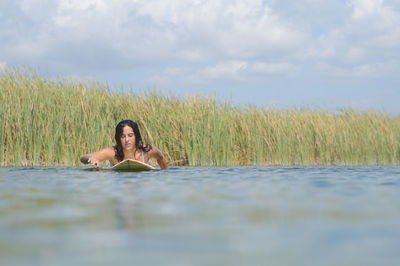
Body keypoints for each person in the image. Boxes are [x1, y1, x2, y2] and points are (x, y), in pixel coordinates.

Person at [80, 120, 168, 169]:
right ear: (118, 139)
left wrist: (163, 174)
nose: (127, 140)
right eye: (123, 136)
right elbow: (83, 157)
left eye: (130, 136)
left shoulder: (147, 151)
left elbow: (161, 158)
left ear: (136, 136)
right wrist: (92, 158)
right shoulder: (113, 152)